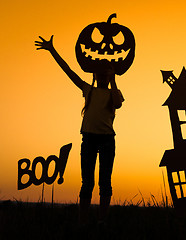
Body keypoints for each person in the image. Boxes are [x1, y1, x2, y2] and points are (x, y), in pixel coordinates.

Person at [35, 35, 124, 224]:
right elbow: (69, 72)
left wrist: (113, 78)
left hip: (107, 140)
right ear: (95, 75)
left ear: (110, 75)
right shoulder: (88, 90)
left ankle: (102, 220)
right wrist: (52, 51)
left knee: (105, 182)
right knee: (87, 183)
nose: (102, 76)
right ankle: (82, 220)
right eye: (100, 73)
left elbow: (117, 105)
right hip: (89, 139)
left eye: (106, 73)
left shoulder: (114, 93)